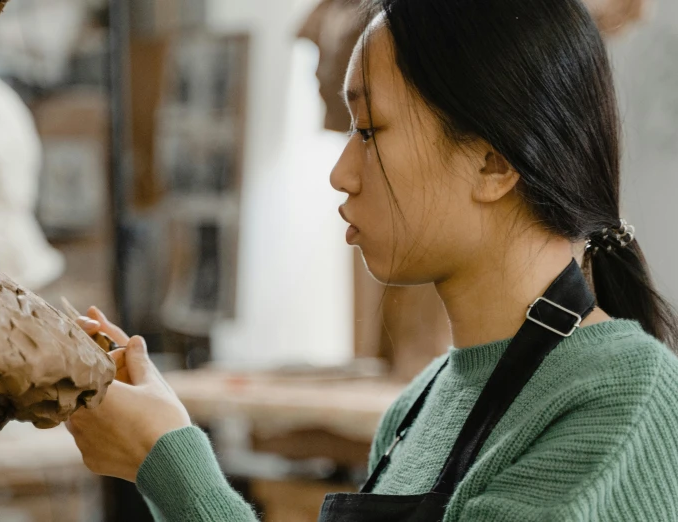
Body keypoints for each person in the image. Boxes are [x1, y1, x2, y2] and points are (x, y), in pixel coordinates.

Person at [66, 0, 678, 520]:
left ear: (493, 162)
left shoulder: (619, 399)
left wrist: (170, 464)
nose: (340, 173)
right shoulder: (418, 408)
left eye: (369, 130)